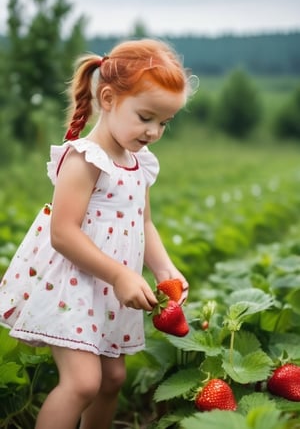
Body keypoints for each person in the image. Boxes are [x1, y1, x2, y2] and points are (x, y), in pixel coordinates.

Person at [0, 38, 192, 429]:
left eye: (164, 123)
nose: (154, 131)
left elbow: (144, 222)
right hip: (74, 283)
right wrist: (121, 274)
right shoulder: (85, 159)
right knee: (84, 382)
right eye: (146, 117)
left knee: (113, 379)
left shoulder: (140, 163)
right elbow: (63, 234)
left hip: (108, 290)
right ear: (108, 98)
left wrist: (164, 268)